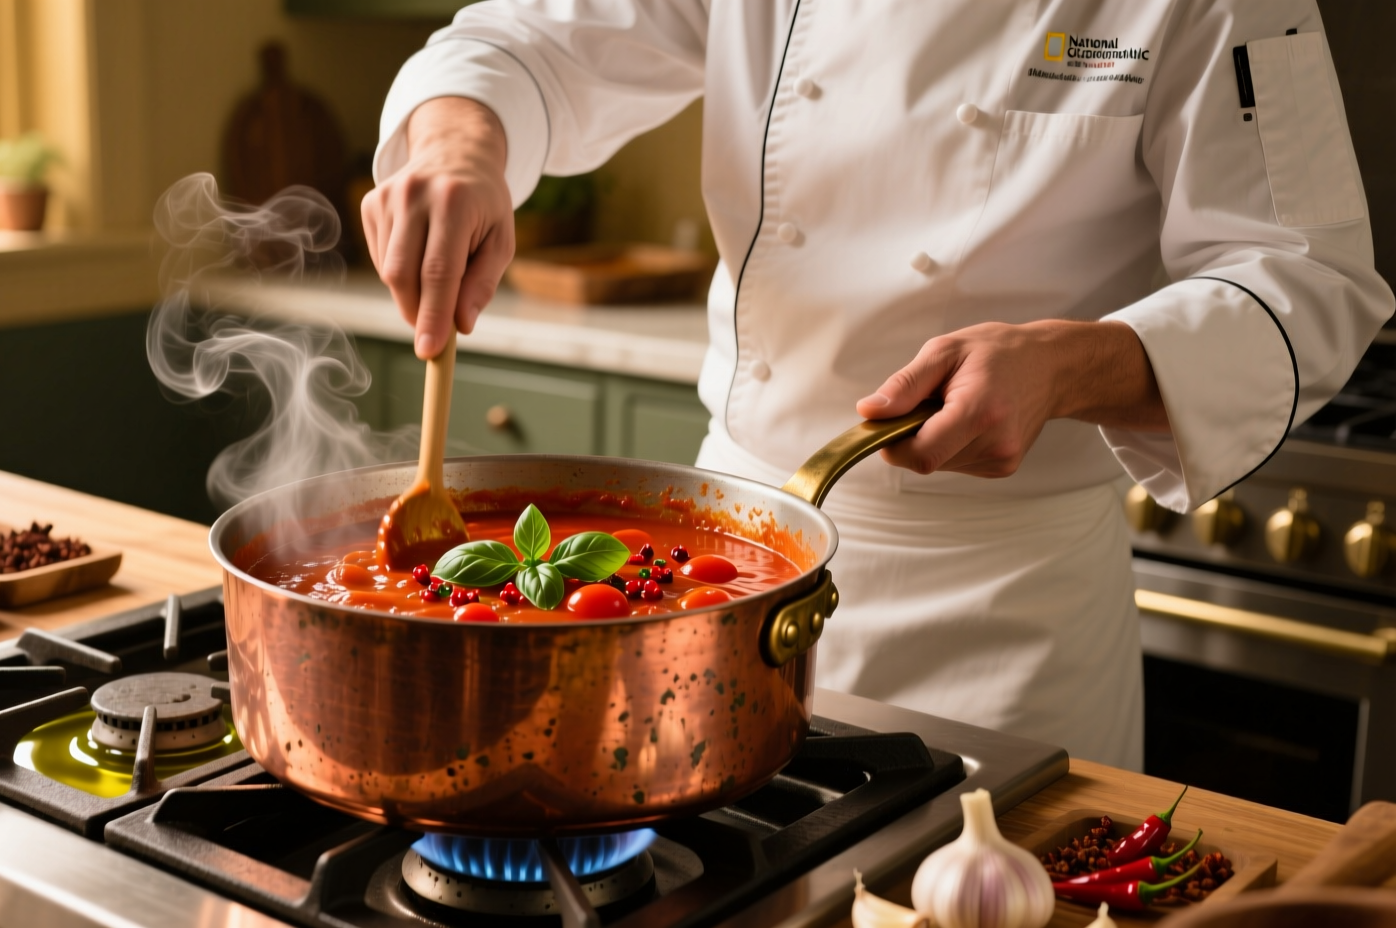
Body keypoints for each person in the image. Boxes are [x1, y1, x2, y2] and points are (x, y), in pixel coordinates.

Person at [360, 1, 1394, 768]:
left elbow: (1310, 279)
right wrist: (461, 146)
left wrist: (1068, 364)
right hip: (721, 573)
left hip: (1002, 618)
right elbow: (527, 40)